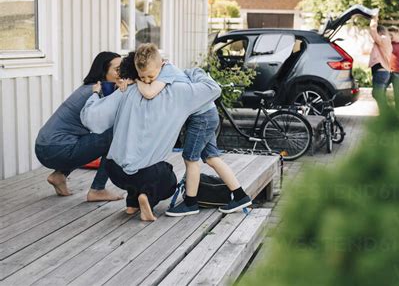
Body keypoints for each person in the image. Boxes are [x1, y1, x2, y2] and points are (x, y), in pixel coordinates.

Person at [80, 49, 221, 222]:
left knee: (132, 166)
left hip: (113, 170)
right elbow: (213, 89)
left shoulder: (125, 90)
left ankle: (131, 204)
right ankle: (147, 198)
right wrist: (195, 73)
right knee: (167, 176)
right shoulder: (178, 92)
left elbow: (92, 118)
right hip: (144, 172)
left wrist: (95, 95)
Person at [132, 43, 252, 217]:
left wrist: (135, 81)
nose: (147, 81)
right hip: (207, 114)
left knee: (190, 159)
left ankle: (190, 203)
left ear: (161, 64)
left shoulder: (168, 72)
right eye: (142, 77)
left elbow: (149, 93)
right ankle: (240, 196)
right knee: (212, 158)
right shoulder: (162, 71)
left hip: (201, 118)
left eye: (150, 76)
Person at [35, 52, 124, 201]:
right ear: (103, 72)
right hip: (57, 149)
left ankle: (59, 175)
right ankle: (98, 189)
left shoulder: (91, 87)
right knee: (116, 135)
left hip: (43, 147)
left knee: (85, 137)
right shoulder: (98, 92)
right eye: (118, 69)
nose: (122, 73)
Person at [368, 16, 393, 113]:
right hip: (382, 73)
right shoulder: (385, 42)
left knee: (378, 95)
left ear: (380, 32)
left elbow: (373, 33)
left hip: (381, 73)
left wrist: (374, 19)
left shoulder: (384, 39)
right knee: (378, 94)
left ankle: (388, 116)